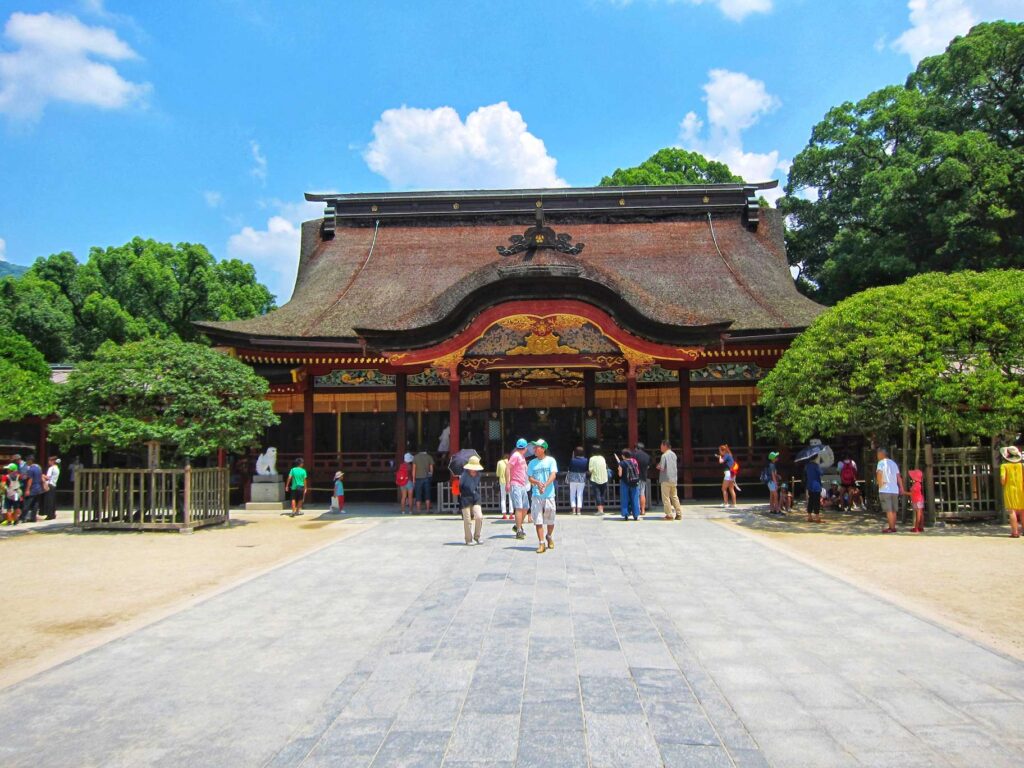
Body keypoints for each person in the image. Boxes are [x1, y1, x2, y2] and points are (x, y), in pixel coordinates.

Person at [527, 439, 558, 553]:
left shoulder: (551, 460)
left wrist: (545, 484)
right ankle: (541, 543)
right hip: (536, 494)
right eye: (534, 447)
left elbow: (553, 474)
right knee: (538, 519)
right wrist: (537, 482)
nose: (534, 449)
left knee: (550, 518)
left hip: (549, 494)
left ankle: (549, 536)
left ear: (543, 449)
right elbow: (529, 477)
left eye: (537, 447)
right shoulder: (532, 463)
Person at [876, 447, 904, 533]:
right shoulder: (893, 463)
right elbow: (898, 476)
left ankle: (891, 528)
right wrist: (901, 487)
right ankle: (893, 527)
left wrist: (880, 484)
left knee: (888, 510)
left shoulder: (881, 463)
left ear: (881, 453)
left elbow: (879, 473)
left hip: (885, 489)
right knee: (893, 510)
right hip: (894, 489)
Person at [507, 438, 530, 540]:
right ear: (525, 448)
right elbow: (508, 468)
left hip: (522, 485)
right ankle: (519, 530)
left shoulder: (522, 457)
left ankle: (518, 525)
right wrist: (508, 482)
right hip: (515, 484)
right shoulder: (515, 456)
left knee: (525, 507)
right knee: (519, 507)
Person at [459, 455, 485, 545]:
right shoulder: (464, 475)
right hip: (465, 497)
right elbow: (460, 486)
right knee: (467, 520)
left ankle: (477, 536)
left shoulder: (478, 475)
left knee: (479, 516)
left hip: (475, 497)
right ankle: (468, 539)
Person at [1000, 446, 1024, 538]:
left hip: (1009, 489)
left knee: (1011, 511)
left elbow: (1003, 479)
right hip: (1021, 489)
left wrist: (1004, 483)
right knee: (1022, 510)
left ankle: (1015, 532)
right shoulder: (1021, 465)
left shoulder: (1004, 466)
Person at [658, 441, 682, 520]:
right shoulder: (674, 454)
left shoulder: (664, 455)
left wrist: (658, 466)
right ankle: (679, 513)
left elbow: (662, 467)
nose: (660, 447)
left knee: (666, 498)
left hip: (665, 479)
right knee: (675, 497)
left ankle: (669, 514)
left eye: (661, 446)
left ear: (665, 446)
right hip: (674, 479)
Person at [617, 448, 641, 521]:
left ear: (623, 456)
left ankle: (626, 515)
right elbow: (638, 472)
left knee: (625, 499)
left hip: (625, 483)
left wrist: (618, 469)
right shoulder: (634, 461)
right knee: (635, 499)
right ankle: (636, 515)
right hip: (634, 482)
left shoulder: (621, 463)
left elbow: (620, 475)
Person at [20, 454, 43, 523]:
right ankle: (33, 518)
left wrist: (27, 490)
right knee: (35, 504)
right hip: (38, 488)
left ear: (30, 461)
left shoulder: (31, 469)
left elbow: (30, 480)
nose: (26, 462)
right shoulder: (38, 468)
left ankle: (23, 517)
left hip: (32, 488)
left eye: (27, 460)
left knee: (27, 504)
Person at [412, 448, 434, 514]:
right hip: (426, 478)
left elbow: (414, 469)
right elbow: (431, 469)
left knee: (418, 494)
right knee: (427, 494)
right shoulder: (429, 457)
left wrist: (413, 479)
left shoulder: (415, 457)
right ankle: (427, 510)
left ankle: (418, 510)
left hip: (418, 478)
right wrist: (430, 476)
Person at [567, 446, 588, 515]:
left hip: (573, 478)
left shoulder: (572, 460)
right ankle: (579, 510)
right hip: (582, 478)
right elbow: (586, 469)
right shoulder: (585, 460)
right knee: (580, 494)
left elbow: (569, 468)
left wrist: (573, 457)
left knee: (572, 493)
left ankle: (573, 510)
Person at [588, 445, 608, 516]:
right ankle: (602, 509)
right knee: (602, 495)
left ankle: (600, 510)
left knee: (597, 495)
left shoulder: (592, 459)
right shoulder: (602, 458)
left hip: (595, 478)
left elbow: (590, 469)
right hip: (604, 478)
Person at [718, 445, 738, 509]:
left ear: (723, 451)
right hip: (732, 474)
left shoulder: (726, 455)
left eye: (720, 451)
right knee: (731, 489)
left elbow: (720, 462)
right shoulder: (729, 455)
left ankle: (726, 503)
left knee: (723, 489)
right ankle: (734, 504)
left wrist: (720, 457)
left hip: (728, 473)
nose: (719, 452)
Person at [634, 442, 651, 516]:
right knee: (642, 493)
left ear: (637, 448)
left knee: (635, 494)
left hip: (635, 476)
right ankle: (643, 510)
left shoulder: (634, 455)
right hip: (643, 476)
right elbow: (648, 467)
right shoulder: (647, 456)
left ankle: (636, 510)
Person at [804, 457, 823, 523]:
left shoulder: (807, 466)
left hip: (809, 485)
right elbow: (821, 473)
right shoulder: (816, 465)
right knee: (816, 501)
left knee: (811, 501)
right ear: (816, 458)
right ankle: (817, 517)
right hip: (816, 485)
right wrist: (820, 465)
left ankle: (809, 516)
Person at [908, 468, 926, 533]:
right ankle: (921, 527)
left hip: (917, 500)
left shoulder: (916, 485)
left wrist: (904, 492)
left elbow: (912, 493)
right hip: (919, 500)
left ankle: (916, 528)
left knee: (918, 514)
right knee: (920, 514)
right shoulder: (917, 484)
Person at [43, 456, 60, 520]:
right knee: (53, 500)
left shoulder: (51, 468)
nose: (48, 462)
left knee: (49, 500)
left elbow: (48, 477)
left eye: (49, 461)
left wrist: (42, 475)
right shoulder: (57, 468)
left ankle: (49, 515)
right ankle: (53, 513)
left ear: (52, 461)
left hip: (50, 484)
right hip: (54, 485)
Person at [495, 453, 510, 519]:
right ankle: (511, 513)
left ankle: (504, 514)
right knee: (511, 498)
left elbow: (497, 473)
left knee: (503, 498)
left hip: (502, 481)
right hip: (510, 481)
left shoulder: (499, 462)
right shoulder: (510, 462)